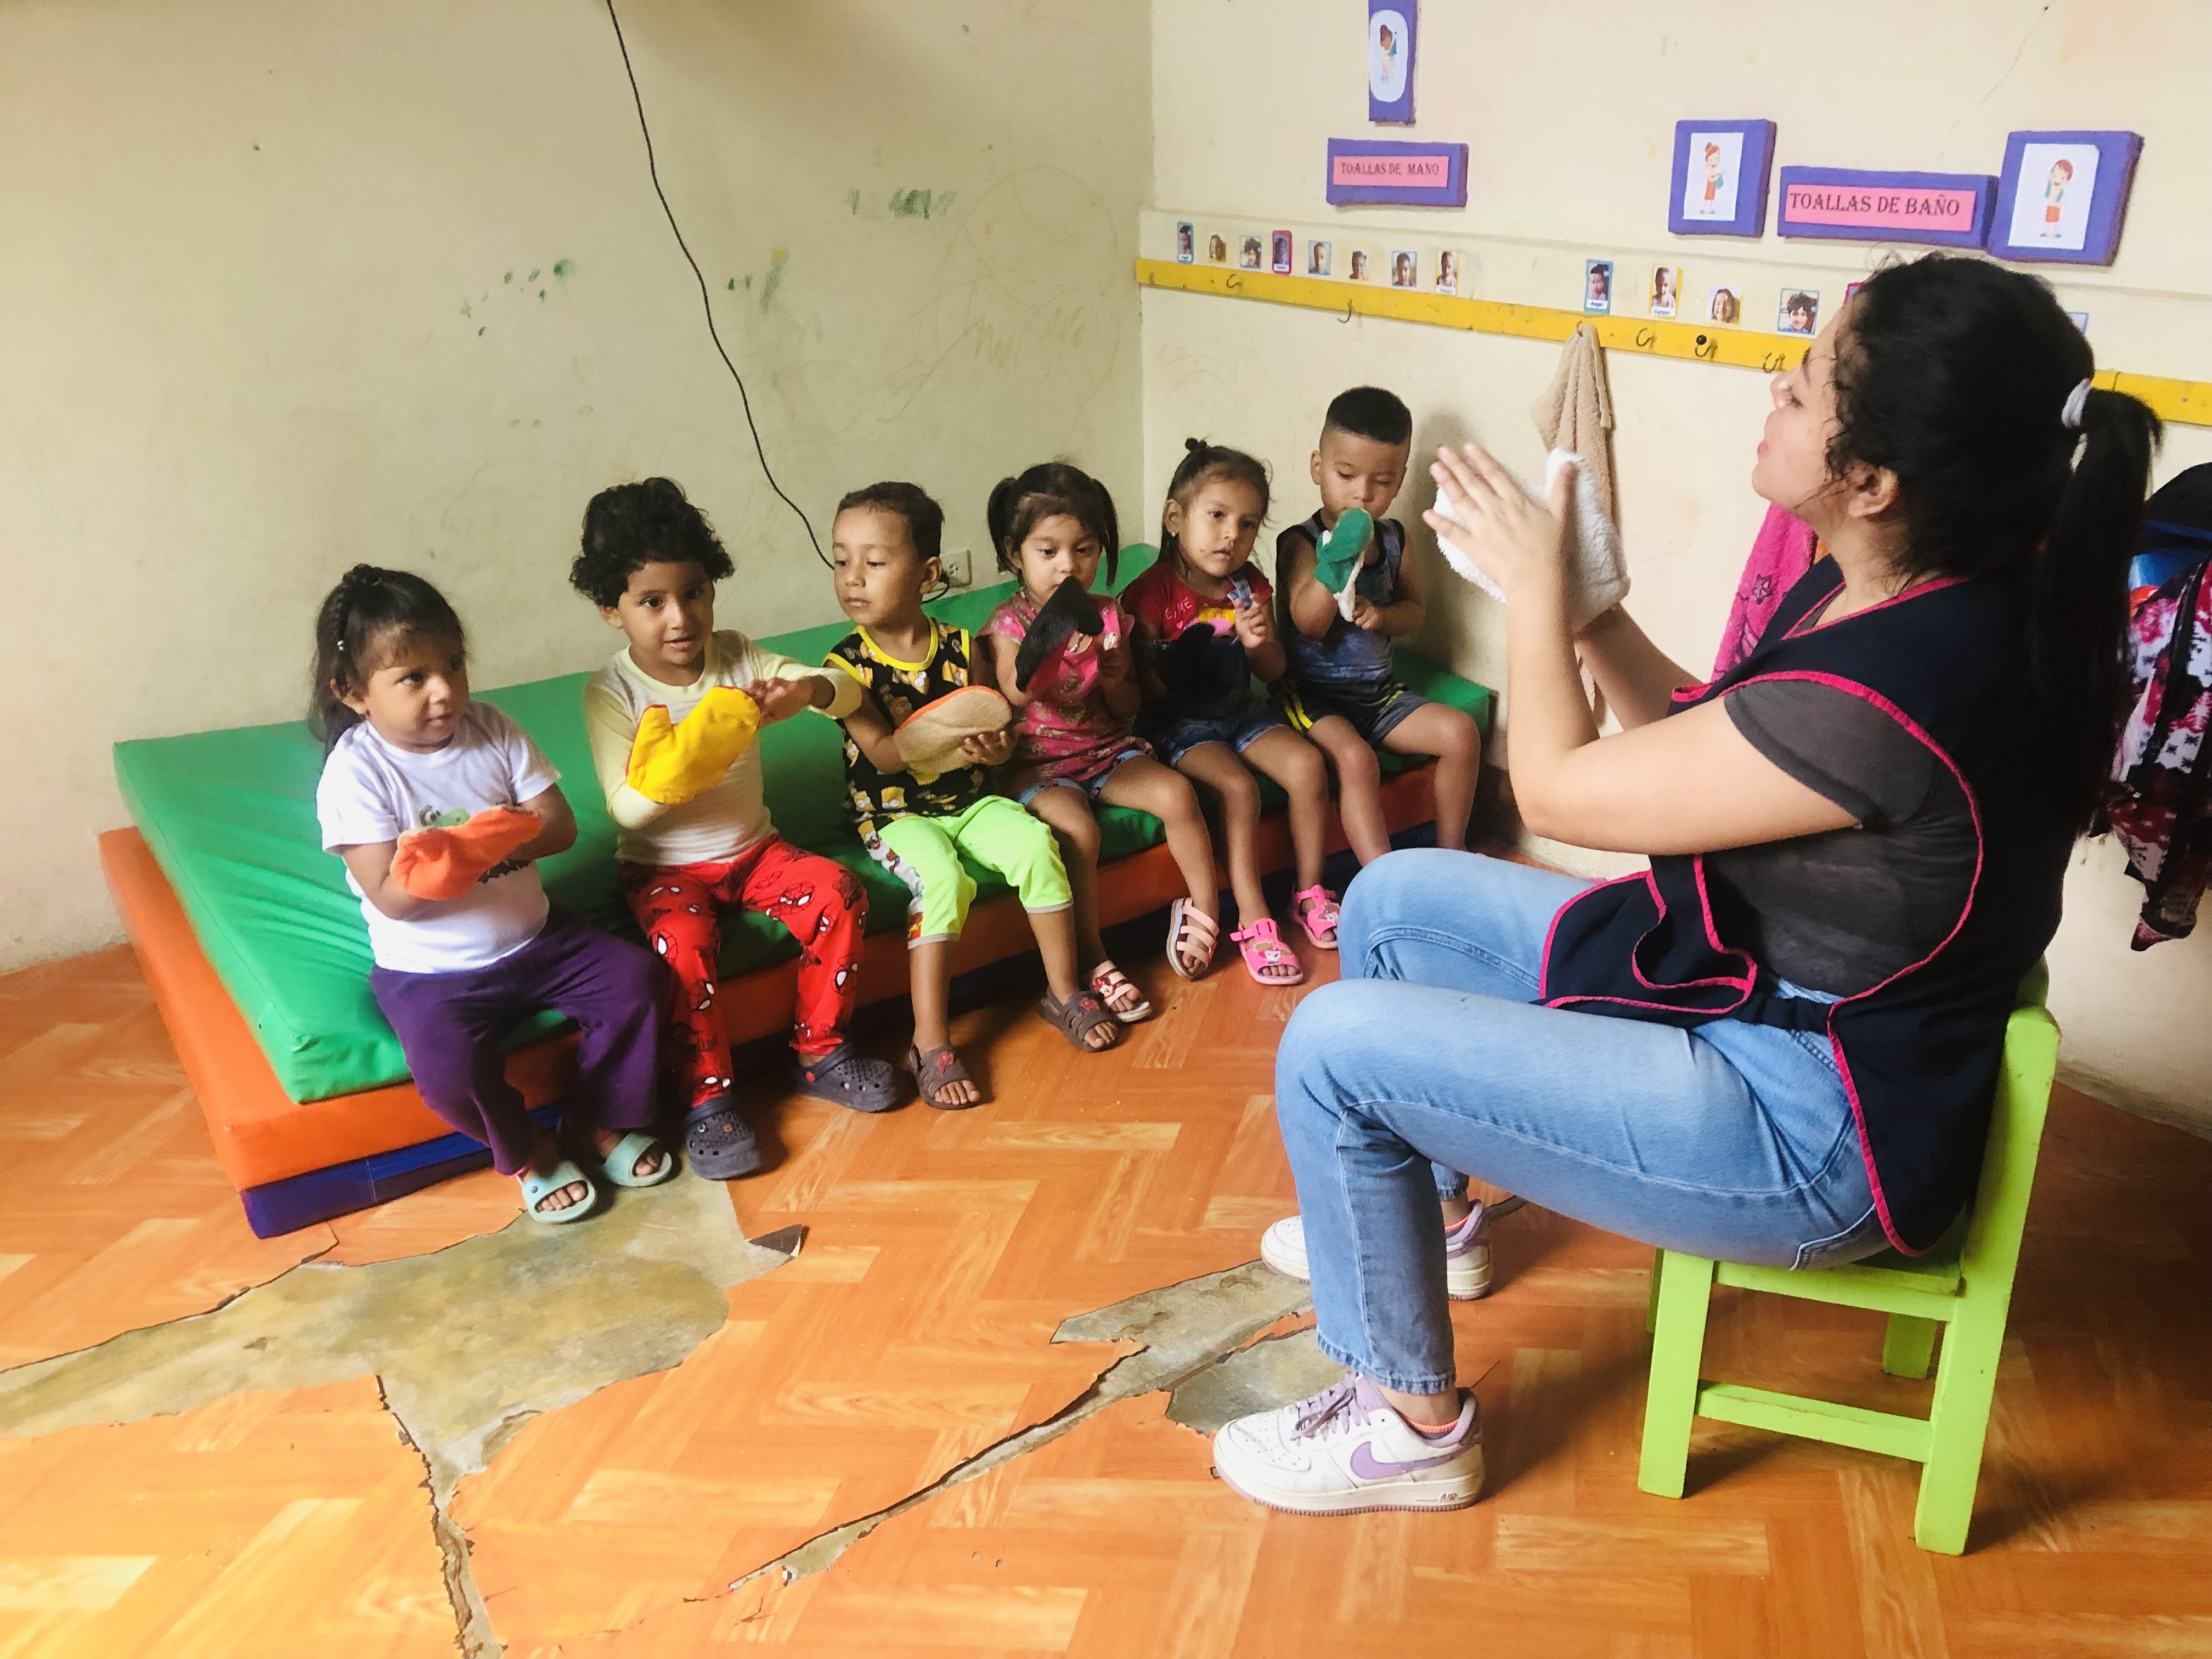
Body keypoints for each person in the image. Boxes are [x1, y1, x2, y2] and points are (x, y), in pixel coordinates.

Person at [1214, 253, 2161, 1516]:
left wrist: (1537, 597)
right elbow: (1705, 739)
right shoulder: (1902, 591)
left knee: (1334, 1047)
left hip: (1811, 1124)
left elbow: (1557, 793)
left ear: (1873, 481)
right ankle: (1427, 1223)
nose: (1777, 385)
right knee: (1393, 906)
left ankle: (1411, 1429)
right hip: (1759, 1001)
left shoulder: (1907, 682)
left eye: (1807, 384)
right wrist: (1597, 612)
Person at [312, 566, 667, 1223]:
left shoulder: (493, 728)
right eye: (413, 677)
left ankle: (598, 1118)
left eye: (453, 664)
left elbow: (558, 827)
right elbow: (391, 897)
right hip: (429, 973)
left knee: (638, 983)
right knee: (447, 1073)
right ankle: (530, 1150)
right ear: (355, 693)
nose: (444, 690)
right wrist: (468, 853)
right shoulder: (355, 772)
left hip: (541, 938)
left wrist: (484, 843)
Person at [571, 478, 898, 1181]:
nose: (679, 617)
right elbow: (626, 810)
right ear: (610, 610)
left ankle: (821, 1051)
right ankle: (707, 1099)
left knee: (840, 891)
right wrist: (695, 752)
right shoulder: (611, 692)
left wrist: (804, 691)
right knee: (682, 946)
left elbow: (844, 690)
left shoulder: (738, 656)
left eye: (694, 592)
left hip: (756, 854)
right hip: (664, 871)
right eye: (651, 602)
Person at [822, 481, 1115, 1107]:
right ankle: (929, 1041)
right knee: (943, 881)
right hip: (895, 815)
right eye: (841, 561)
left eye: (874, 562)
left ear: (928, 574)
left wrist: (994, 747)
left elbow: (1001, 738)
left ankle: (1063, 990)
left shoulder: (961, 647)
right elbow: (885, 754)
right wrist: (953, 730)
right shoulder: (844, 666)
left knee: (1037, 845)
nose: (853, 578)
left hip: (972, 801)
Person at [983, 462, 1222, 1005]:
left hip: (1106, 752)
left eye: (1085, 549)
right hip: (1038, 764)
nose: (1069, 565)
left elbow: (1129, 706)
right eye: (1048, 552)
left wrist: (1115, 680)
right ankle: (1092, 955)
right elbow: (1014, 695)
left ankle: (1206, 911)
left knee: (1178, 793)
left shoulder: (1108, 614)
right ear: (1015, 554)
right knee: (1079, 831)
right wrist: (1046, 648)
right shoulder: (1008, 624)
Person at [1124, 441, 1335, 985]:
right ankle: (1252, 916)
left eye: (1247, 524)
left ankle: (1310, 893)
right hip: (1180, 724)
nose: (1231, 536)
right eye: (1216, 516)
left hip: (1241, 711)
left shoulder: (1249, 586)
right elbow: (1140, 694)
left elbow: (1272, 669)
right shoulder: (1148, 596)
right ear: (1175, 517)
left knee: (1308, 765)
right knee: (1238, 789)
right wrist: (1179, 663)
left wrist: (1259, 643)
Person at [1276, 386, 1484, 866]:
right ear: (1317, 467)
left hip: (1379, 696)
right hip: (1312, 699)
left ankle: (1453, 855)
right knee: (1357, 760)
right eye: (1346, 475)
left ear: (1400, 481)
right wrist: (1337, 560)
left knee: (1461, 734)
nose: (1363, 493)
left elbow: (1415, 611)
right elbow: (1308, 625)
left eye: (1382, 481)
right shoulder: (1300, 543)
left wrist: (1383, 617)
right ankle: (1384, 876)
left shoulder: (1395, 540)